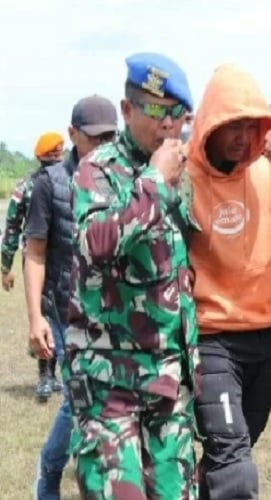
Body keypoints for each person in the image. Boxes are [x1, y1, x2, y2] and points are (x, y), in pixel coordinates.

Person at [63, 52, 199, 498]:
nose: (167, 124)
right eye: (156, 110)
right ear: (126, 111)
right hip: (110, 383)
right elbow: (95, 244)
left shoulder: (184, 173)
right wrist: (156, 182)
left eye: (176, 114)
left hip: (168, 381)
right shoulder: (98, 169)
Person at [186, 63, 271, 500]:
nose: (244, 138)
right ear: (210, 126)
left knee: (237, 448)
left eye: (252, 126)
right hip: (212, 337)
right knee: (234, 464)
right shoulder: (182, 178)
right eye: (233, 127)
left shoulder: (269, 170)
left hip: (267, 335)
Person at [26, 95, 118, 500]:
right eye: (92, 139)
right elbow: (36, 252)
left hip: (116, 315)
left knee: (101, 401)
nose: (100, 147)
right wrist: (34, 319)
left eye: (110, 138)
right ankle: (49, 475)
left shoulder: (126, 177)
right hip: (66, 312)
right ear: (72, 135)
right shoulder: (50, 184)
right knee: (77, 396)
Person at [2, 131, 65, 402]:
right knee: (46, 317)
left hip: (47, 260)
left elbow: (11, 229)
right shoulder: (36, 185)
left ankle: (50, 376)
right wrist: (5, 266)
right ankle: (46, 376)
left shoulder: (28, 184)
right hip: (42, 262)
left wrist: (5, 267)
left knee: (49, 316)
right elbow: (13, 227)